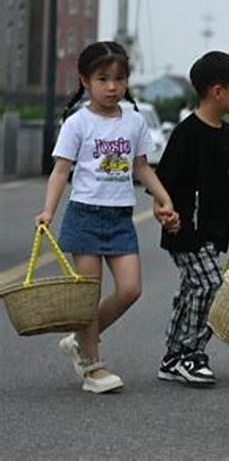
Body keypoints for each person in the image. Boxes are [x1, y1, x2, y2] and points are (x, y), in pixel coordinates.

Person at [35, 41, 179, 394]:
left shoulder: (133, 122)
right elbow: (60, 171)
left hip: (119, 218)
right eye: (103, 79)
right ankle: (92, 365)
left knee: (130, 289)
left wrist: (164, 198)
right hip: (85, 214)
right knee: (89, 295)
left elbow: (142, 167)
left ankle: (82, 339)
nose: (112, 87)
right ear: (85, 80)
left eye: (119, 79)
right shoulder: (77, 123)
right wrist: (48, 211)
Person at [154, 51, 229, 387]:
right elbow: (161, 182)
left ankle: (173, 355)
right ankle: (191, 354)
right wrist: (162, 211)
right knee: (211, 285)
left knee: (193, 287)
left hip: (215, 230)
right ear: (217, 91)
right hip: (185, 229)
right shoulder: (185, 133)